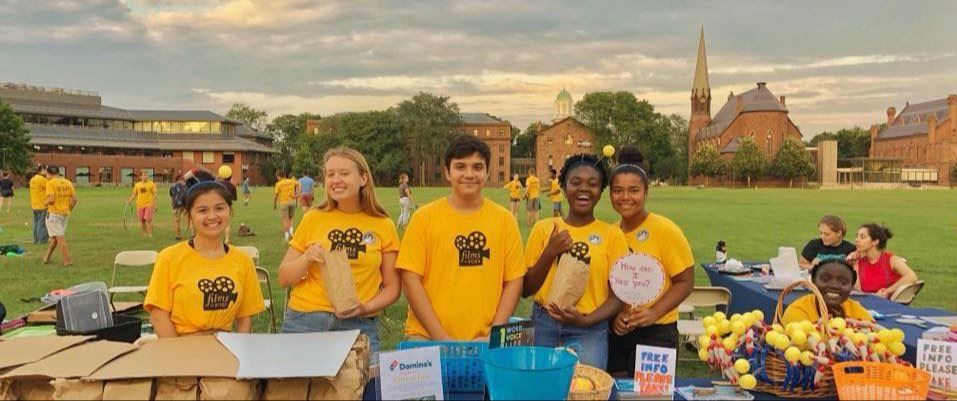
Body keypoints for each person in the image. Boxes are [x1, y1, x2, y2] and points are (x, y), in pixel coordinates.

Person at [397, 135, 525, 341]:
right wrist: (442, 338)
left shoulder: (505, 220)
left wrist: (494, 335)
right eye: (460, 167)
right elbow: (410, 280)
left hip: (484, 338)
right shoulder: (424, 218)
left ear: (487, 172)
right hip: (426, 336)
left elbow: (514, 281)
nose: (469, 174)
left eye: (477, 167)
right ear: (447, 172)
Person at [278, 147, 400, 359]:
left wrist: (365, 308)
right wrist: (306, 259)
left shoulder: (383, 225)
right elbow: (284, 277)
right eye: (330, 174)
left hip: (359, 325)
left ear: (363, 178)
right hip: (306, 320)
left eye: (344, 173)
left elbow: (393, 288)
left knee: (366, 381)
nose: (336, 180)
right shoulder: (313, 218)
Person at [523, 153, 629, 369]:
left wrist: (586, 321)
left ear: (601, 191)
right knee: (540, 384)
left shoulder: (612, 235)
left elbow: (619, 296)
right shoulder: (544, 229)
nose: (584, 189)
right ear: (564, 188)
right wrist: (550, 252)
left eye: (593, 184)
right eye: (576, 182)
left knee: (585, 384)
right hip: (544, 322)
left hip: (589, 327)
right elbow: (526, 289)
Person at [606, 146, 694, 377]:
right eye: (618, 191)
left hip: (657, 331)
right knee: (616, 390)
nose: (625, 197)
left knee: (650, 393)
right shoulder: (610, 234)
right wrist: (615, 317)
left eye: (634, 190)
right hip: (619, 331)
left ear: (646, 192)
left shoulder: (665, 230)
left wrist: (654, 312)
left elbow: (685, 281)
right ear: (610, 194)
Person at [145, 175, 264, 338]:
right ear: (189, 216)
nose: (212, 216)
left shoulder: (243, 261)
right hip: (181, 345)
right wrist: (176, 351)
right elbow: (158, 316)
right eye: (202, 210)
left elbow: (245, 319)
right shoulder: (169, 258)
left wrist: (238, 349)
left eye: (219, 208)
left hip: (225, 345)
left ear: (230, 211)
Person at [783, 259, 872, 325]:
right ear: (813, 281)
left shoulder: (855, 310)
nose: (834, 286)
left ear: (852, 287)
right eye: (825, 279)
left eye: (843, 282)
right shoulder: (797, 310)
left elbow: (874, 333)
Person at [850, 223, 918, 298]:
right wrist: (848, 264)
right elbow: (857, 290)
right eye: (857, 236)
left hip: (890, 303)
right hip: (867, 302)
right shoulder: (858, 262)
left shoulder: (891, 260)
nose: (856, 239)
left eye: (862, 237)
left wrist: (887, 291)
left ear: (875, 241)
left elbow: (912, 277)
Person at [42, 166, 77, 266]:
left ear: (49, 174)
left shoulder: (50, 183)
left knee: (60, 238)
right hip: (65, 214)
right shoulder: (67, 182)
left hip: (54, 214)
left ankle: (67, 260)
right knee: (56, 238)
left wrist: (44, 203)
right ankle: (46, 257)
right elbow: (74, 199)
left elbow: (51, 199)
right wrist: (69, 209)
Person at [127, 170, 157, 238]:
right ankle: (145, 233)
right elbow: (134, 194)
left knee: (148, 220)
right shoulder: (137, 185)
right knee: (142, 220)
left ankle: (150, 234)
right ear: (140, 177)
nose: (146, 176)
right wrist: (130, 200)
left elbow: (155, 194)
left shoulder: (151, 184)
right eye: (144, 175)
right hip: (139, 205)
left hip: (149, 204)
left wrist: (155, 205)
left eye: (146, 175)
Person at [273, 171, 300, 241]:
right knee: (291, 219)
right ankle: (291, 234)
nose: (277, 178)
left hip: (284, 202)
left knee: (285, 220)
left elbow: (276, 195)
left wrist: (274, 204)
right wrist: (297, 194)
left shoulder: (278, 184)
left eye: (277, 176)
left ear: (279, 176)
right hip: (292, 202)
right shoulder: (291, 181)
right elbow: (299, 184)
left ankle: (287, 237)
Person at [28, 165, 50, 244]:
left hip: (35, 204)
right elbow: (50, 187)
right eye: (46, 170)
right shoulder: (42, 179)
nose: (47, 172)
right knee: (42, 223)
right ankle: (42, 239)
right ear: (42, 170)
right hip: (42, 205)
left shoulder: (33, 179)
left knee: (36, 223)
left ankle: (36, 239)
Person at [170, 174, 188, 240]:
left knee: (177, 220)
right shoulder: (186, 186)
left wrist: (173, 205)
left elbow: (171, 197)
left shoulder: (173, 186)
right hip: (186, 205)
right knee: (190, 220)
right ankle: (193, 235)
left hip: (176, 205)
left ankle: (178, 235)